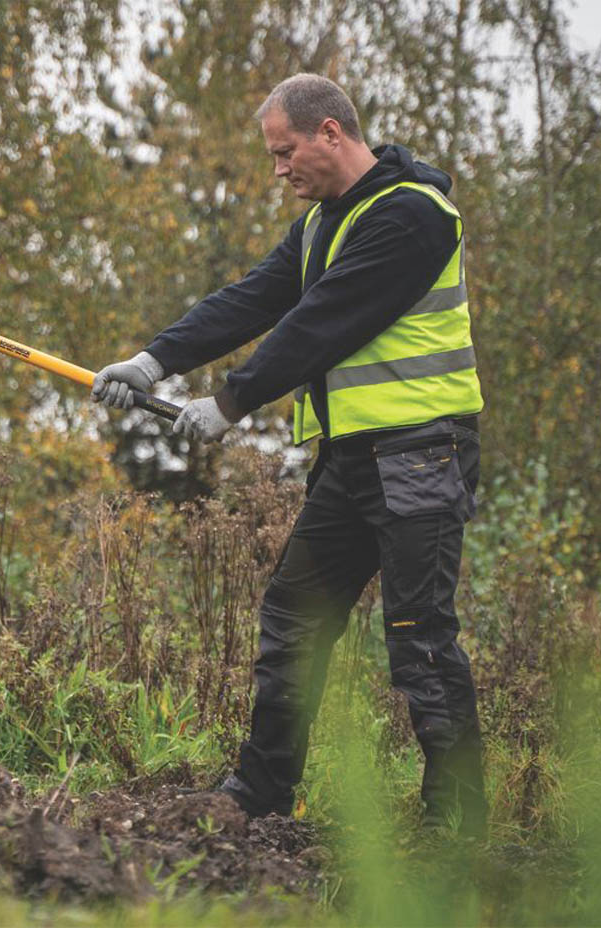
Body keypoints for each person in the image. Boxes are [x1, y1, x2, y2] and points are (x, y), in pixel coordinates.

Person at [92, 74, 487, 836]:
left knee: (419, 637)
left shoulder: (414, 215)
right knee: (294, 619)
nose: (279, 170)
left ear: (330, 132)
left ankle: (459, 825)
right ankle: (260, 795)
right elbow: (251, 298)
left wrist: (232, 402)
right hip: (350, 460)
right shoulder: (319, 226)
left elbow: (323, 322)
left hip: (421, 455)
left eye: (285, 152)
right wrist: (152, 361)